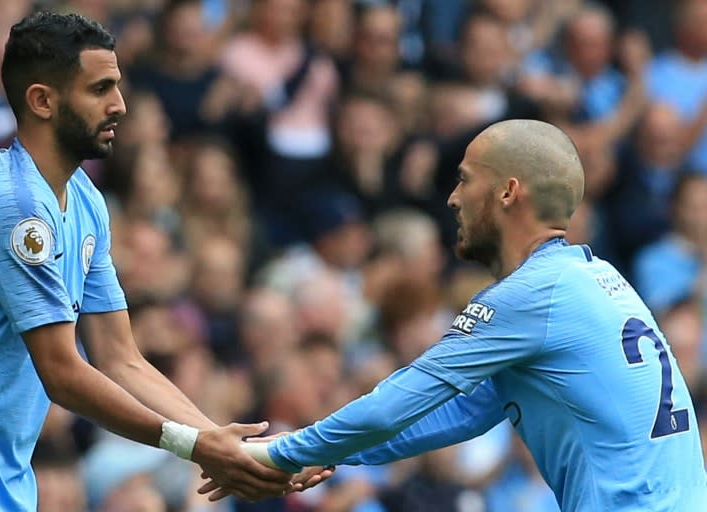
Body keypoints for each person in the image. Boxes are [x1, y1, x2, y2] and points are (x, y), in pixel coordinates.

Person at [0, 12, 329, 511]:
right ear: (42, 101)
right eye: (99, 89)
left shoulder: (83, 198)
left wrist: (227, 446)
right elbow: (62, 371)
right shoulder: (14, 206)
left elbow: (120, 357)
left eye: (117, 87)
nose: (120, 105)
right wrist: (194, 445)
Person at [226, 119, 707, 510]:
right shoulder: (595, 279)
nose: (453, 198)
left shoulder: (530, 296)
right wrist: (336, 452)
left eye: (465, 178)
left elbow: (402, 397)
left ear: (507, 192)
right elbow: (464, 410)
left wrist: (283, 452)